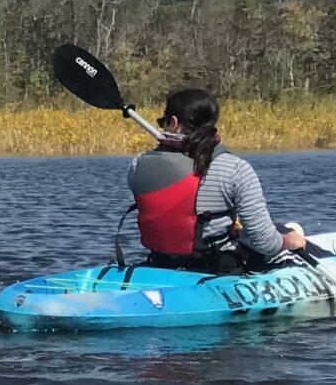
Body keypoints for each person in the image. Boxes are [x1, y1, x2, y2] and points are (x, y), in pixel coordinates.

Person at [129, 86, 311, 271]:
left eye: (162, 122)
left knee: (275, 227)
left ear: (173, 122)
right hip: (216, 268)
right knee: (288, 237)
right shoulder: (234, 168)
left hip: (161, 263)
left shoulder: (138, 165)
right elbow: (266, 244)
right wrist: (290, 241)